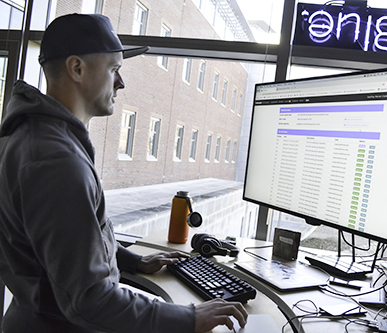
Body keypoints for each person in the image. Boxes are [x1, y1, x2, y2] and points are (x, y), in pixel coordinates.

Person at [0, 13, 247, 332]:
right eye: (114, 69)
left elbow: (73, 240)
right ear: (77, 69)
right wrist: (189, 318)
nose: (121, 82)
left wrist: (135, 262)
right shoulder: (55, 161)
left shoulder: (41, 139)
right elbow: (90, 299)